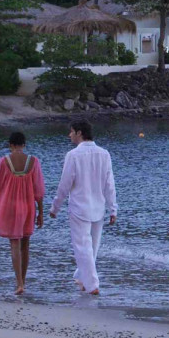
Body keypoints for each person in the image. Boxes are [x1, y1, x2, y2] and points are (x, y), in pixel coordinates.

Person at [50, 119, 117, 295]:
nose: (69, 135)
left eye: (71, 132)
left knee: (83, 247)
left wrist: (55, 207)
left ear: (80, 133)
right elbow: (109, 184)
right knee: (92, 247)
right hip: (98, 207)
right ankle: (82, 277)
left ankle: (92, 284)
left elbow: (64, 184)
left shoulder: (73, 155)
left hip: (80, 207)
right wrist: (113, 208)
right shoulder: (104, 154)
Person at [0, 130, 44, 296]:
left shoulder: (3, 161)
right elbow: (39, 190)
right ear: (24, 145)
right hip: (28, 205)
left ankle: (19, 283)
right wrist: (41, 213)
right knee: (25, 244)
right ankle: (23, 280)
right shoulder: (34, 162)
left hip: (9, 205)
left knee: (14, 243)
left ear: (10, 145)